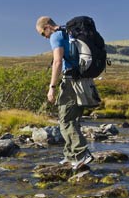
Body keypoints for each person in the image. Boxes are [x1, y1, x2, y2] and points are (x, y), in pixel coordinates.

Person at [35, 16, 94, 170]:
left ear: (47, 26)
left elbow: (57, 61)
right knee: (72, 119)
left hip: (70, 81)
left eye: (43, 33)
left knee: (65, 119)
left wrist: (52, 87)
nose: (44, 37)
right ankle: (70, 156)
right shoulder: (68, 32)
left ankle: (82, 154)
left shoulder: (55, 35)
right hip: (84, 80)